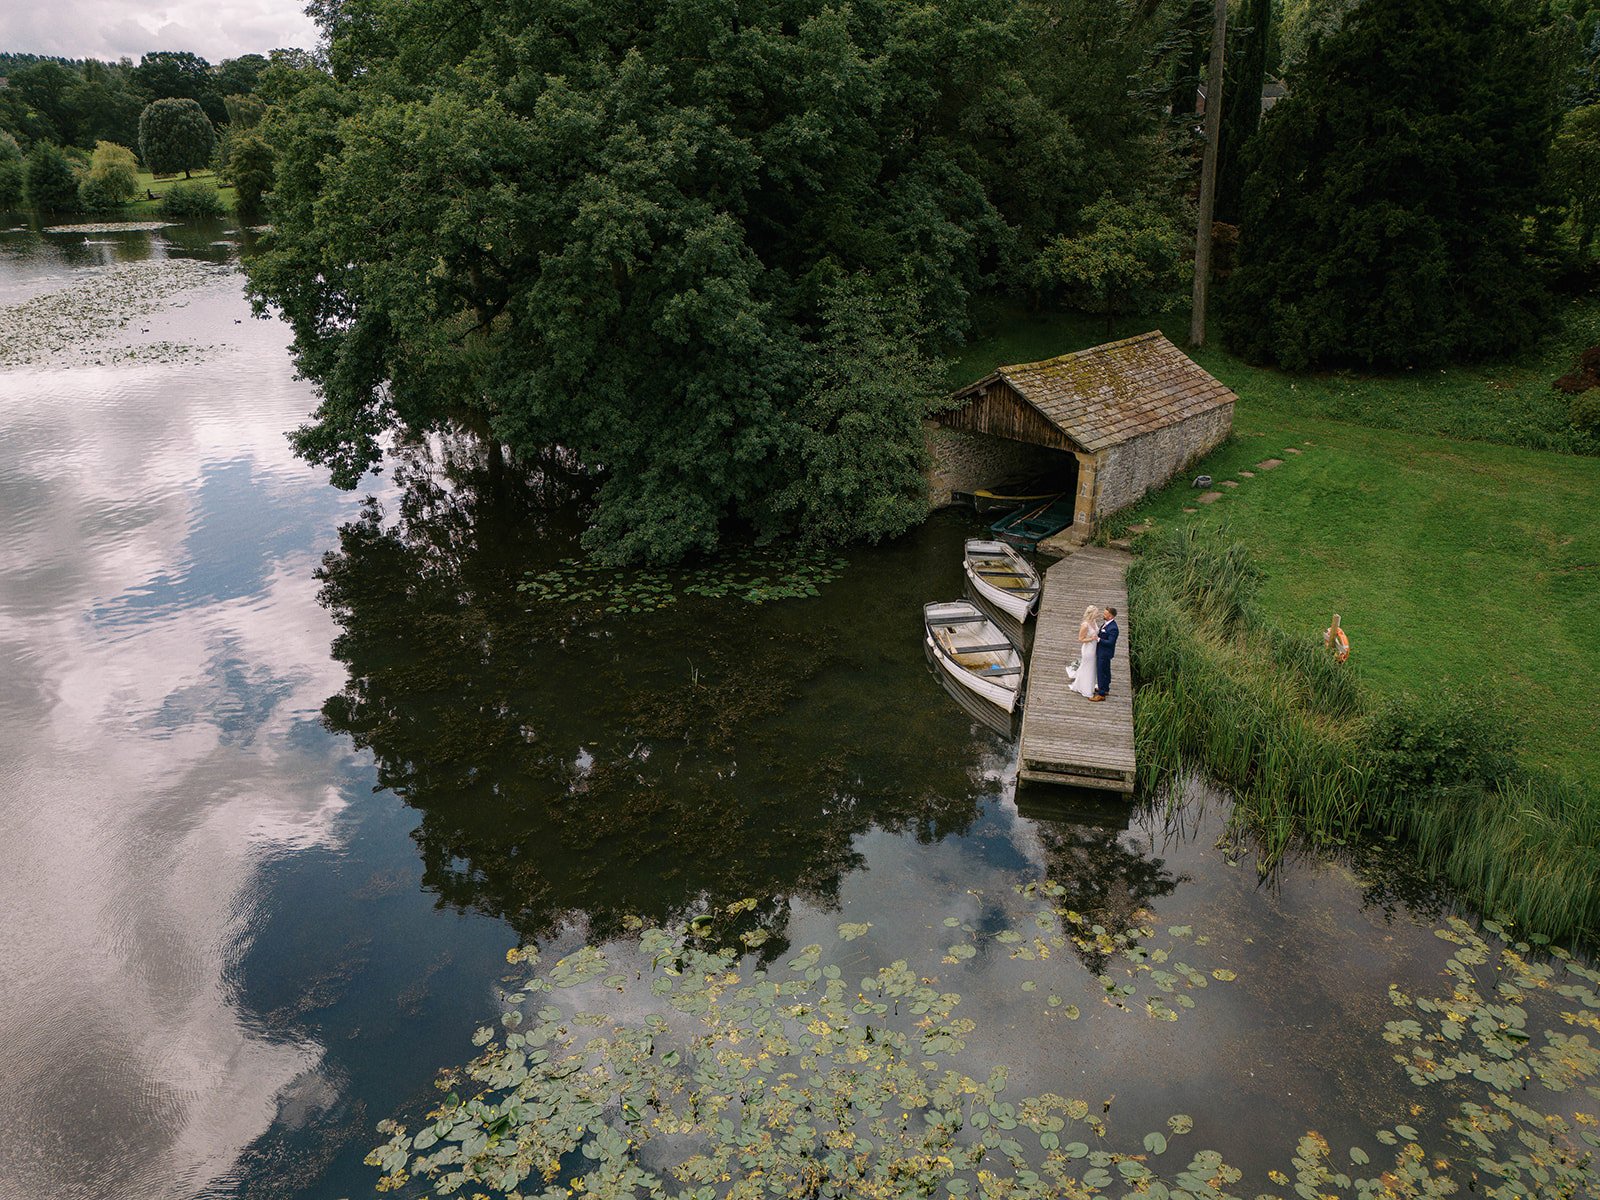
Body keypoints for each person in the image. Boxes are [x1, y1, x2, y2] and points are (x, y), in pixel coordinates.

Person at [1066, 605, 1099, 699]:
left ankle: (1089, 685)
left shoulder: (1094, 621)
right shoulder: (1085, 625)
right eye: (1096, 612)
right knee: (1088, 667)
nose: (1098, 614)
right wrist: (1092, 638)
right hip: (1088, 649)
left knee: (1092, 667)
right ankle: (1086, 689)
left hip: (1094, 647)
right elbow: (1080, 639)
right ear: (1092, 613)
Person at [1090, 606, 1119, 701]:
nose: (1103, 614)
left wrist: (1098, 639)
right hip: (1102, 652)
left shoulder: (1113, 628)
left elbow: (1110, 642)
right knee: (1105, 670)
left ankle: (1101, 694)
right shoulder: (1107, 624)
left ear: (1110, 616)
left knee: (1101, 671)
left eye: (1105, 614)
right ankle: (1105, 688)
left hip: (1105, 653)